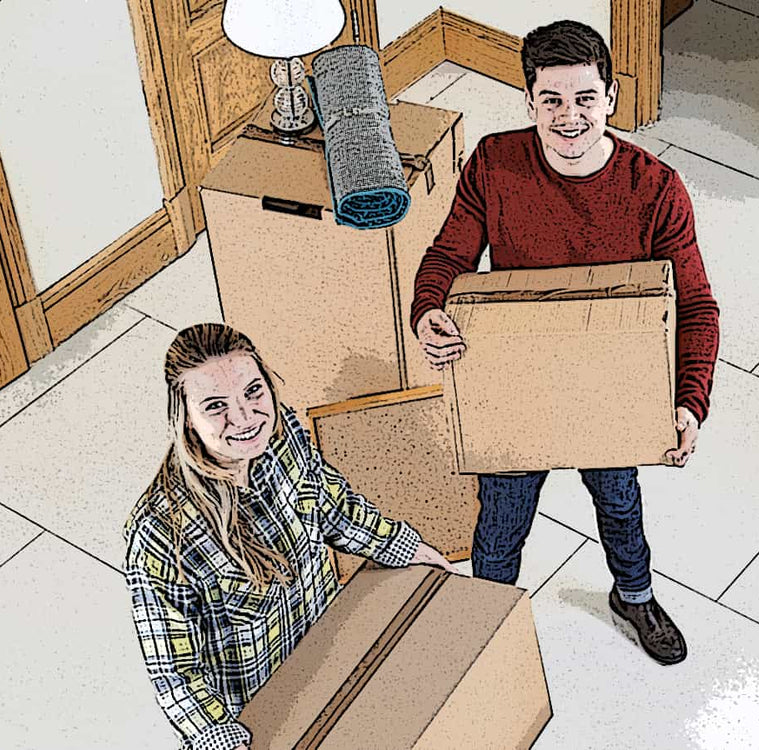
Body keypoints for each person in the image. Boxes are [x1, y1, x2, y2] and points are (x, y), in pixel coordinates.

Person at [409, 20, 721, 666]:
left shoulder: (655, 187)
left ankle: (634, 596)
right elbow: (448, 255)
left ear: (611, 97)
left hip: (610, 383)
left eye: (585, 98)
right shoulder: (494, 164)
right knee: (501, 520)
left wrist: (689, 403)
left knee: (618, 500)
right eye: (551, 100)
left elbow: (696, 306)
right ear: (529, 101)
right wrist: (428, 309)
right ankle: (488, 622)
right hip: (516, 377)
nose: (569, 117)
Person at [124, 323, 456, 750]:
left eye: (253, 392)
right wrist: (221, 738)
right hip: (260, 721)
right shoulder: (159, 534)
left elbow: (335, 509)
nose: (245, 418)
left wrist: (405, 547)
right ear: (185, 416)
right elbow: (174, 673)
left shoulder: (284, 436)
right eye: (215, 406)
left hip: (329, 664)